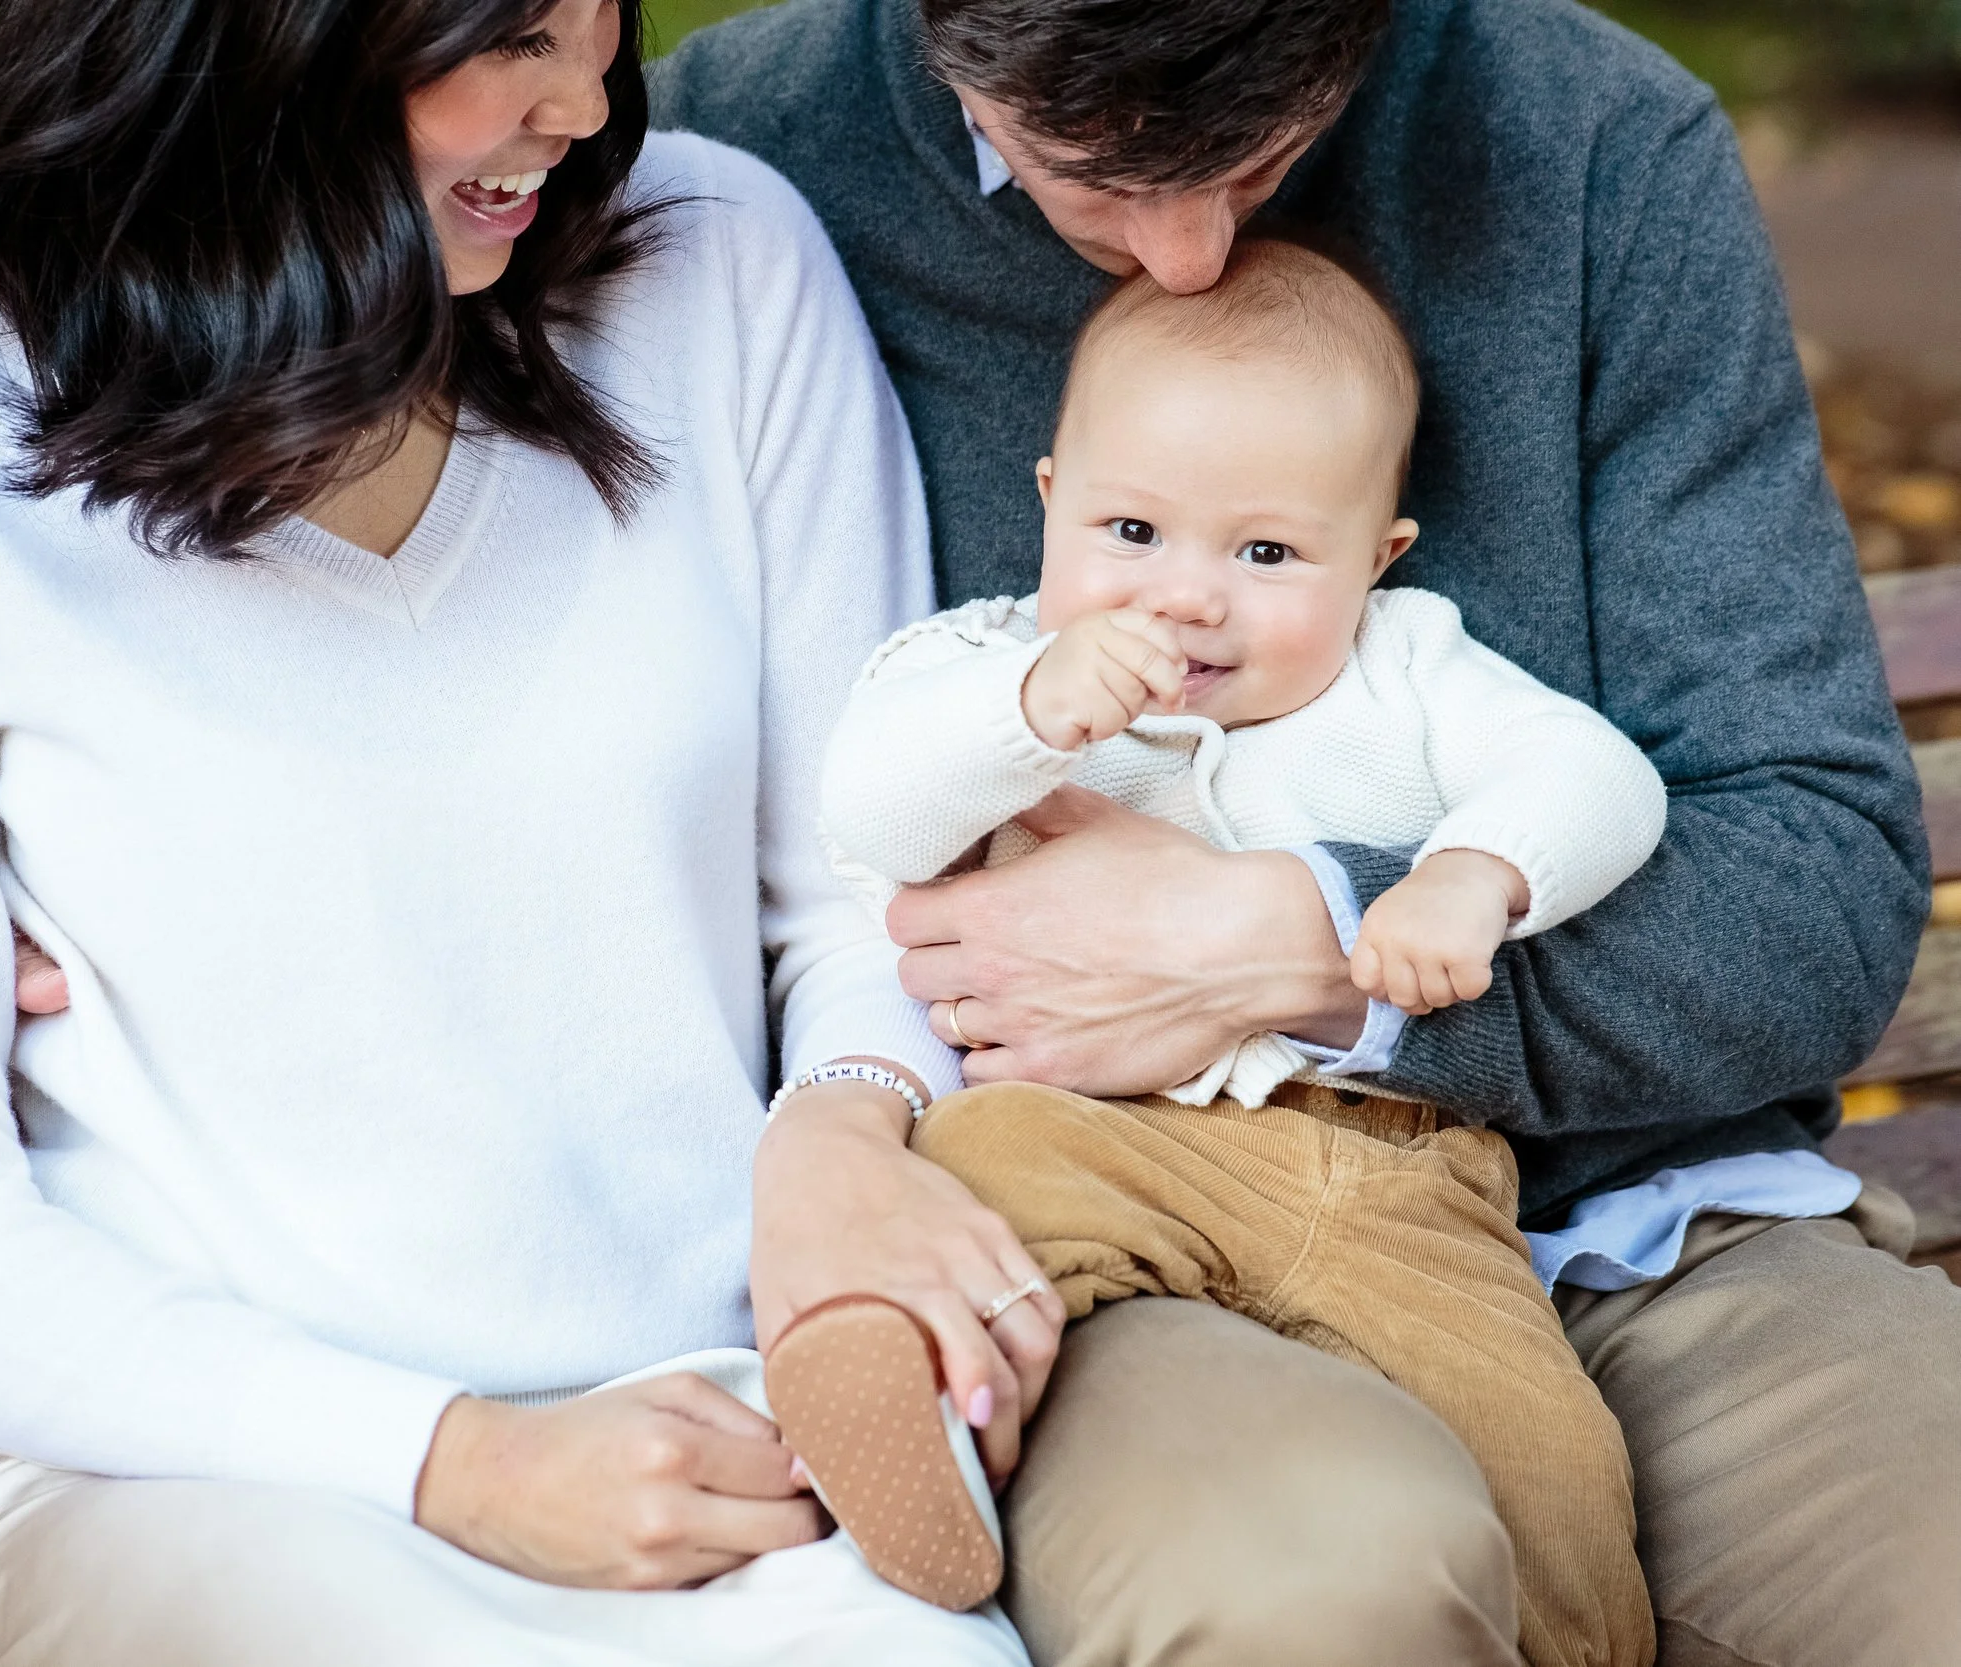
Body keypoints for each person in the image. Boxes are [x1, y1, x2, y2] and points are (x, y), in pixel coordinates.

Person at [0, 0, 1061, 1659]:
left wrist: (848, 1125)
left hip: (714, 1440)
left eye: (597, 18)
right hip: (163, 1479)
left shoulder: (722, 266)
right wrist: (455, 1460)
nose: (583, 102)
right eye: (513, 33)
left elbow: (869, 887)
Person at [653, 1, 1960, 1663]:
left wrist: (1313, 946)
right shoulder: (729, 171)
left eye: (1264, 154)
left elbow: (1813, 876)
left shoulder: (1592, 147)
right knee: (1333, 1583)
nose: (1188, 259)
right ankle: (901, 1400)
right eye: (1091, 168)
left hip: (1647, 1217)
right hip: (1118, 1219)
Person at [803, 243, 1661, 1665]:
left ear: (1377, 557)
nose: (1186, 596)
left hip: (1400, 1174)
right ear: (1049, 501)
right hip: (1095, 1131)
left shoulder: (1407, 668)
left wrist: (1477, 873)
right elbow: (868, 811)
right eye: (1132, 530)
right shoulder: (978, 668)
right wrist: (1028, 709)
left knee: (1552, 1469)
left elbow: (1596, 774)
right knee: (988, 1173)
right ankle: (918, 1400)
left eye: (1265, 554)